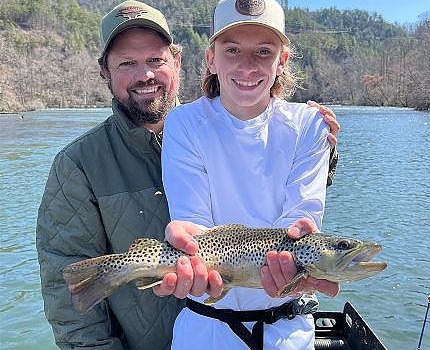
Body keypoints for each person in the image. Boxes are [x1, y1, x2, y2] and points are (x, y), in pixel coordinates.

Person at [36, 1, 339, 349]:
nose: (145, 75)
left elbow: (284, 204)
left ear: (178, 62)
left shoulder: (193, 126)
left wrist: (322, 152)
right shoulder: (79, 164)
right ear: (104, 70)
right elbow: (68, 294)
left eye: (155, 60)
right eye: (126, 64)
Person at [160, 0, 338, 349]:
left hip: (288, 332)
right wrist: (190, 246)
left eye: (263, 51)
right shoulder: (182, 123)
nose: (247, 65)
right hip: (204, 330)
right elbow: (193, 222)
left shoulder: (309, 125)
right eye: (232, 50)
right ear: (211, 59)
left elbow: (299, 224)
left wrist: (291, 255)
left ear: (281, 60)